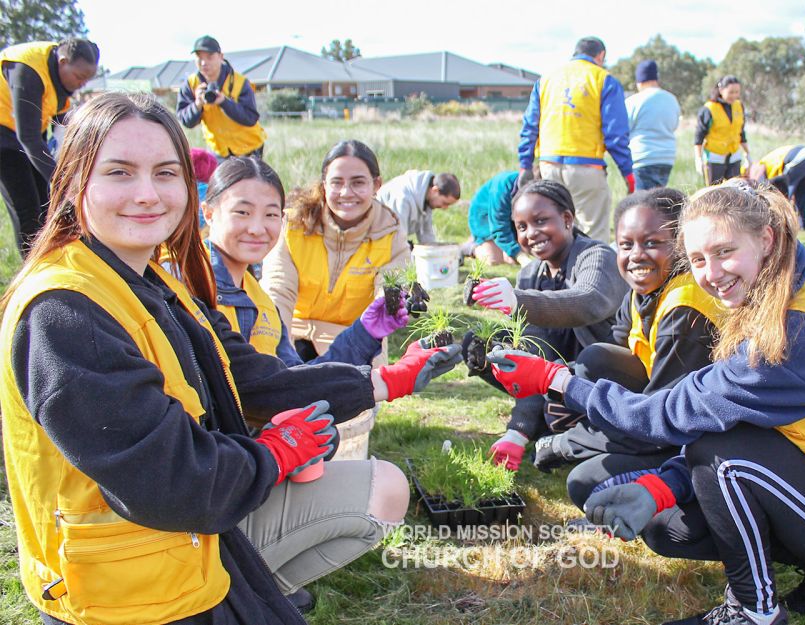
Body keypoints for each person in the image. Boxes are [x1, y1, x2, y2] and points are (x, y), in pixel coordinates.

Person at [0, 91, 461, 625]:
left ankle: (258, 586)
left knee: (378, 488)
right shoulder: (66, 313)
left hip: (186, 535)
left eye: (166, 173)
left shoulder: (152, 283)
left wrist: (381, 381)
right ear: (76, 182)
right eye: (120, 173)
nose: (147, 194)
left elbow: (257, 378)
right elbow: (171, 479)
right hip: (126, 592)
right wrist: (274, 455)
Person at [487, 180, 805, 625]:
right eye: (699, 259)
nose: (711, 274)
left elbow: (667, 414)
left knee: (718, 456)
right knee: (670, 528)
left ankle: (754, 610)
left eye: (724, 252)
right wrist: (661, 487)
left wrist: (556, 378)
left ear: (766, 238)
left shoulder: (796, 335)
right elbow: (738, 424)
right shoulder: (786, 288)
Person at [531, 189, 721, 507]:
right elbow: (609, 357)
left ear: (682, 245)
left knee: (585, 484)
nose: (636, 255)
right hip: (656, 410)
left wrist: (571, 443)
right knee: (593, 360)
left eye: (652, 243)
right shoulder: (642, 291)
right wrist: (566, 394)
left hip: (693, 434)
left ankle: (675, 483)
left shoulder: (686, 309)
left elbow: (663, 419)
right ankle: (613, 447)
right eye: (625, 244)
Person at [471, 179, 628, 471]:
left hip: (607, 377)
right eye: (521, 227)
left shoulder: (597, 256)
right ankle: (544, 419)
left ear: (567, 219)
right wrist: (516, 432)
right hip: (559, 373)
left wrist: (519, 301)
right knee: (485, 346)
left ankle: (582, 421)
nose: (531, 233)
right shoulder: (530, 274)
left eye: (541, 221)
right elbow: (532, 355)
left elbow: (588, 301)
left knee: (588, 365)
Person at [202, 157, 409, 368]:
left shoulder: (261, 303)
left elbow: (295, 378)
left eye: (270, 214)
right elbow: (250, 383)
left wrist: (366, 333)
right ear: (208, 213)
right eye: (242, 213)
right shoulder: (189, 288)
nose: (257, 228)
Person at [261, 140, 410, 361]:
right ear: (324, 186)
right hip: (293, 332)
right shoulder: (293, 225)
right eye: (336, 183)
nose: (346, 192)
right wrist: (279, 348)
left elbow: (388, 296)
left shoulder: (390, 234)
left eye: (358, 183)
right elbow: (277, 291)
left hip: (357, 338)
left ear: (377, 185)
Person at [517, 36, 634, 243]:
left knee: (555, 229)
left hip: (548, 165)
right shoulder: (603, 79)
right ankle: (592, 273)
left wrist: (525, 164)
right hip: (587, 166)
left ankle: (555, 275)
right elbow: (615, 134)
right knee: (593, 232)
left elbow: (530, 125)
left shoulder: (546, 80)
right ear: (601, 56)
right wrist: (627, 172)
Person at [0, 38, 98, 254]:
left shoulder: (62, 81)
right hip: (5, 138)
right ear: (63, 62)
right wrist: (63, 180)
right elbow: (28, 138)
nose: (82, 84)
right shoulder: (28, 70)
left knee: (47, 204)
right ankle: (34, 271)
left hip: (27, 135)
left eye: (87, 80)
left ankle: (55, 257)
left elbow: (63, 128)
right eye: (80, 77)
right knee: (27, 207)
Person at [177, 35, 266, 160]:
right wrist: (197, 104)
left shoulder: (240, 82)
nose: (203, 63)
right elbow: (186, 121)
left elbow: (251, 118)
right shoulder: (191, 85)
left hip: (249, 148)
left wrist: (224, 102)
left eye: (209, 57)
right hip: (218, 151)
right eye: (199, 57)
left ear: (221, 57)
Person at [625, 60, 680, 190]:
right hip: (667, 157)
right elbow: (674, 125)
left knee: (643, 204)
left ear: (639, 81)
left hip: (643, 157)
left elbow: (625, 129)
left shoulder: (633, 101)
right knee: (660, 201)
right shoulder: (671, 99)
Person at [376, 169, 461, 244]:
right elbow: (397, 240)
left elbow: (427, 237)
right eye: (445, 203)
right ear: (435, 190)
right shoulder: (402, 198)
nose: (445, 208)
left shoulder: (426, 199)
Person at [694, 75, 749, 185]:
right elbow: (699, 137)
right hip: (714, 158)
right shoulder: (709, 109)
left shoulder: (739, 106)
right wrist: (698, 159)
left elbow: (741, 133)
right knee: (714, 194)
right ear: (721, 90)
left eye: (737, 92)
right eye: (731, 92)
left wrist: (748, 155)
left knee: (736, 192)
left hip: (734, 157)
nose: (734, 95)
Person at [465, 170, 527, 265]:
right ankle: (470, 248)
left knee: (512, 258)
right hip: (484, 217)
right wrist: (520, 256)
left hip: (508, 217)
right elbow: (499, 228)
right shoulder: (501, 188)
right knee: (493, 259)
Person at [752, 145, 805, 229]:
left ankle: (783, 222)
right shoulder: (769, 161)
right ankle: (803, 224)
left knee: (785, 193)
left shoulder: (761, 164)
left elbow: (758, 181)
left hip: (799, 158)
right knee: (802, 192)